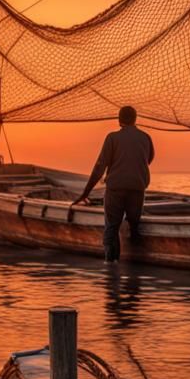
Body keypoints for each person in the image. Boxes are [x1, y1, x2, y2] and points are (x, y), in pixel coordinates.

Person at [75, 105, 155, 262]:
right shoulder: (146, 137)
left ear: (119, 121)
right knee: (134, 225)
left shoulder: (112, 138)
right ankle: (136, 268)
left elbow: (99, 167)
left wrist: (85, 193)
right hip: (137, 188)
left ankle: (111, 267)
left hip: (116, 189)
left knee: (111, 228)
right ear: (135, 119)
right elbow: (149, 159)